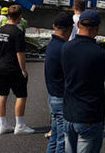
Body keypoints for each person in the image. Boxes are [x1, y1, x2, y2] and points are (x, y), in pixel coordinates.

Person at [61, 10, 105, 153]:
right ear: (97, 28)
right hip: (90, 114)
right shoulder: (100, 53)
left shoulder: (65, 48)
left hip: (69, 113)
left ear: (79, 24)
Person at [0, 5, 35, 135]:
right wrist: (23, 70)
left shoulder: (0, 31)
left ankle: (3, 125)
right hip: (13, 67)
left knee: (2, 95)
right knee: (21, 96)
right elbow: (20, 53)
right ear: (19, 17)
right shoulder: (17, 32)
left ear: (8, 16)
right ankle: (20, 125)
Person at [45, 12, 74, 153]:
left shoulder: (52, 45)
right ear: (70, 29)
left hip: (53, 96)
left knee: (55, 139)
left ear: (54, 26)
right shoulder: (65, 49)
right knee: (63, 142)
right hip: (62, 97)